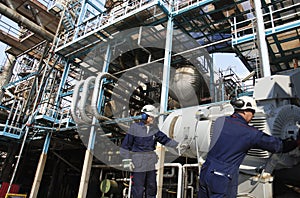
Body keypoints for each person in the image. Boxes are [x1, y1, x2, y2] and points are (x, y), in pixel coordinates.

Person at [198, 96, 300, 198]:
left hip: (206, 171)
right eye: (252, 113)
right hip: (222, 178)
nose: (252, 117)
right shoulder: (250, 133)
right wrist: (296, 143)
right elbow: (278, 146)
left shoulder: (220, 121)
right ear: (246, 111)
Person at [120, 105, 180, 198]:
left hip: (150, 162)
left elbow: (165, 140)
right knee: (138, 189)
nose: (153, 119)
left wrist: (178, 144)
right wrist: (127, 161)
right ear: (144, 116)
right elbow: (125, 145)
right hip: (138, 162)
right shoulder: (135, 128)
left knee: (152, 187)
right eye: (152, 117)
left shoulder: (154, 130)